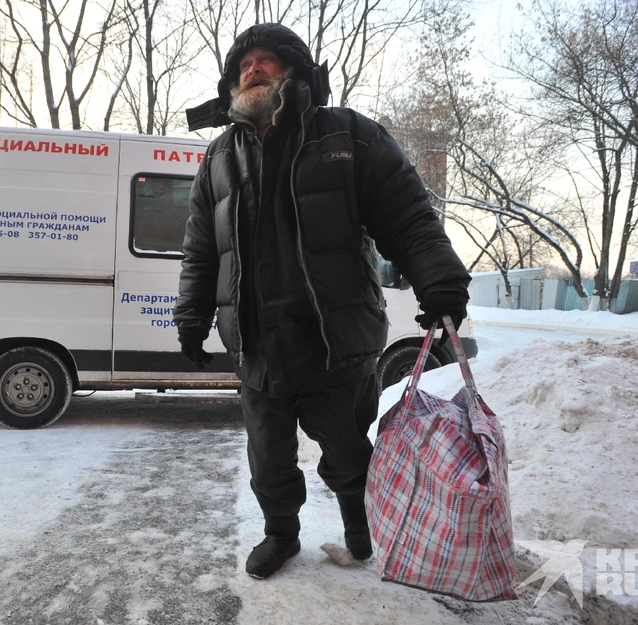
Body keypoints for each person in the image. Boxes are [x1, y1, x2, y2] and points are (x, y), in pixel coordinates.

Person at [174, 23, 471, 580]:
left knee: (348, 453)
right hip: (260, 347)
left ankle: (360, 532)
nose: (252, 67)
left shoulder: (348, 136)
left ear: (294, 70)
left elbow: (408, 216)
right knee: (267, 460)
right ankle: (281, 535)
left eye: (266, 59)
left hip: (334, 341)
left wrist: (439, 281)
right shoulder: (219, 157)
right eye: (244, 63)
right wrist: (192, 315)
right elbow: (199, 249)